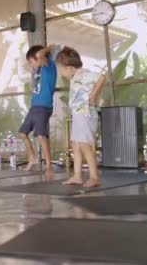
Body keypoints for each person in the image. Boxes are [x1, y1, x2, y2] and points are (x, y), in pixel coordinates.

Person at [55, 47, 107, 187]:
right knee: (76, 144)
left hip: (86, 113)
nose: (61, 73)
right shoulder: (74, 77)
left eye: (61, 70)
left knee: (85, 145)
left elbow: (102, 77)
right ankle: (77, 176)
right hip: (78, 114)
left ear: (70, 68)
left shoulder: (84, 74)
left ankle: (94, 177)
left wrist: (94, 96)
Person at [19, 44, 62, 178]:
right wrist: (32, 62)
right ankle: (33, 157)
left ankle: (49, 166)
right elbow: (32, 61)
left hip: (43, 107)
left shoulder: (48, 65)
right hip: (34, 107)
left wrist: (42, 53)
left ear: (39, 58)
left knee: (41, 136)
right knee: (22, 133)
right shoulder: (38, 69)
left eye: (31, 61)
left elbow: (44, 53)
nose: (31, 65)